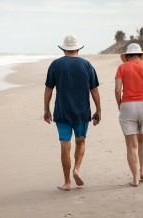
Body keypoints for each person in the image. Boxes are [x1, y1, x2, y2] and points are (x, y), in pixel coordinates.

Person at [44, 35, 101, 191]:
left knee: (65, 143)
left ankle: (67, 182)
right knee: (81, 141)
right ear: (78, 48)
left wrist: (46, 109)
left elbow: (49, 89)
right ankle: (76, 169)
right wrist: (99, 109)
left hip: (62, 111)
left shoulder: (55, 65)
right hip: (82, 111)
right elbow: (94, 89)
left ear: (63, 49)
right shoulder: (87, 65)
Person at [115, 43, 143, 187]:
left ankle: (135, 179)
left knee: (131, 145)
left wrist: (120, 104)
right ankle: (142, 171)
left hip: (128, 105)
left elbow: (117, 90)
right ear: (140, 55)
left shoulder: (122, 67)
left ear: (127, 56)